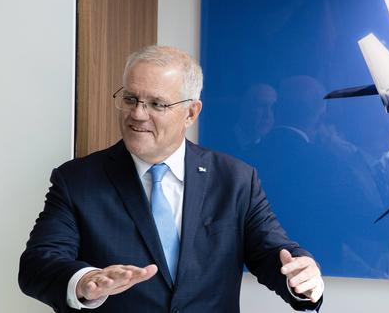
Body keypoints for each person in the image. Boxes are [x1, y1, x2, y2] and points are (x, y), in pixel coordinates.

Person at [18, 46, 324, 313]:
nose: (137, 114)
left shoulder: (235, 179)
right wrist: (82, 281)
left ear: (191, 113)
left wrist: (301, 276)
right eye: (130, 99)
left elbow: (273, 252)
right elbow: (37, 264)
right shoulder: (76, 180)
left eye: (156, 104)